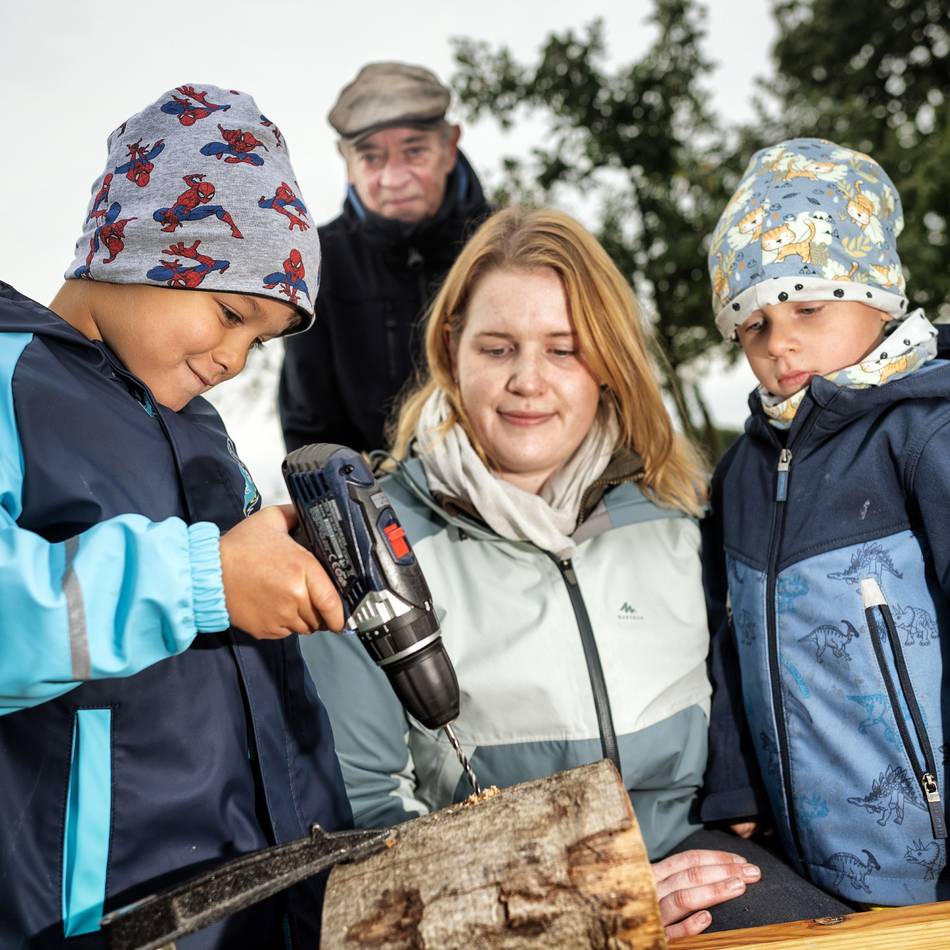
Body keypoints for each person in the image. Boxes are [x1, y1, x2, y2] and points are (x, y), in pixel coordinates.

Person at [304, 206, 786, 939]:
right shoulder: (370, 551)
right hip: (488, 903)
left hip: (689, 855)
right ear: (452, 351)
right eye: (498, 348)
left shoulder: (681, 518)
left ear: (608, 364)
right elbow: (363, 817)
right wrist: (587, 903)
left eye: (564, 350)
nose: (528, 380)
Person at [0, 84, 352, 949]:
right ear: (141, 248)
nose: (235, 359)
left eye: (259, 340)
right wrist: (202, 581)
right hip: (101, 919)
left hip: (267, 901)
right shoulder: (11, 381)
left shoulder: (203, 433)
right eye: (230, 313)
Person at [702, 137, 950, 906]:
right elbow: (726, 637)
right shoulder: (740, 472)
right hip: (803, 858)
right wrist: (736, 785)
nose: (781, 342)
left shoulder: (925, 433)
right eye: (754, 325)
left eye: (808, 307)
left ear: (879, 295)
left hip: (932, 861)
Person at [278, 61, 491, 453]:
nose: (394, 179)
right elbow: (311, 430)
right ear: (347, 163)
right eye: (371, 158)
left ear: (450, 147)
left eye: (414, 151)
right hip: (376, 487)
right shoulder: (316, 262)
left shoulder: (507, 248)